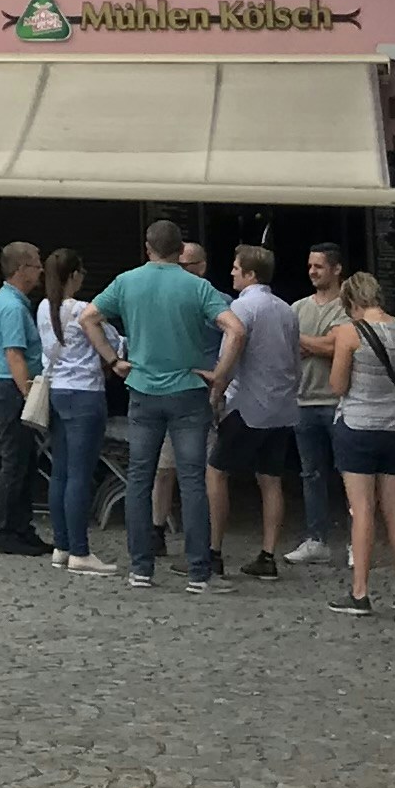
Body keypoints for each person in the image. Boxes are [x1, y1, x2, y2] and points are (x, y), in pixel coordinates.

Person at [86, 218, 234, 589]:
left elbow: (88, 317)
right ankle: (199, 571)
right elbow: (237, 328)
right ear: (180, 249)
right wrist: (220, 373)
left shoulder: (126, 282)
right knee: (192, 480)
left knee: (140, 478)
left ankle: (141, 567)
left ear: (148, 247)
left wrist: (113, 360)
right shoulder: (197, 286)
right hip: (188, 390)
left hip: (143, 390)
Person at [315, 270, 395, 614]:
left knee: (362, 509)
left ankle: (360, 592)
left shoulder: (349, 333)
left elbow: (337, 386)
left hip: (359, 426)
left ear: (351, 301)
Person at [206, 244, 301, 579]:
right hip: (282, 407)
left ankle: (213, 552)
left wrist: (218, 385)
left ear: (249, 273)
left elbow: (231, 349)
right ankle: (267, 554)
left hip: (247, 405)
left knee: (217, 471)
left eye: (235, 268)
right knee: (271, 480)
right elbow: (295, 358)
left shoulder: (241, 308)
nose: (230, 272)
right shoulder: (287, 310)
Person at [39, 249, 108, 570]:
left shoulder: (42, 308)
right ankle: (80, 551)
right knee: (81, 474)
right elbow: (111, 343)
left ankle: (62, 545)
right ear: (75, 275)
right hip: (84, 393)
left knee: (61, 472)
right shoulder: (84, 310)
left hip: (56, 391)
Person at [0, 240, 47, 555]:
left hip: (5, 384)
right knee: (15, 462)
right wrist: (30, 396)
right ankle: (7, 531)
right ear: (21, 269)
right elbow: (15, 355)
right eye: (36, 264)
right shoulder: (12, 306)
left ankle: (22, 527)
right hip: (11, 389)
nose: (41, 269)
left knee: (25, 461)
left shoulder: (7, 300)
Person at [289, 242, 352, 565]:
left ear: (336, 269)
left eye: (319, 266)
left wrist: (304, 341)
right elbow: (300, 346)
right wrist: (322, 344)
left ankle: (358, 541)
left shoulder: (347, 306)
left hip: (337, 400)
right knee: (310, 474)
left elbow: (336, 345)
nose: (313, 271)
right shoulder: (298, 307)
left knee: (350, 473)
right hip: (303, 399)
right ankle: (317, 539)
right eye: (311, 266)